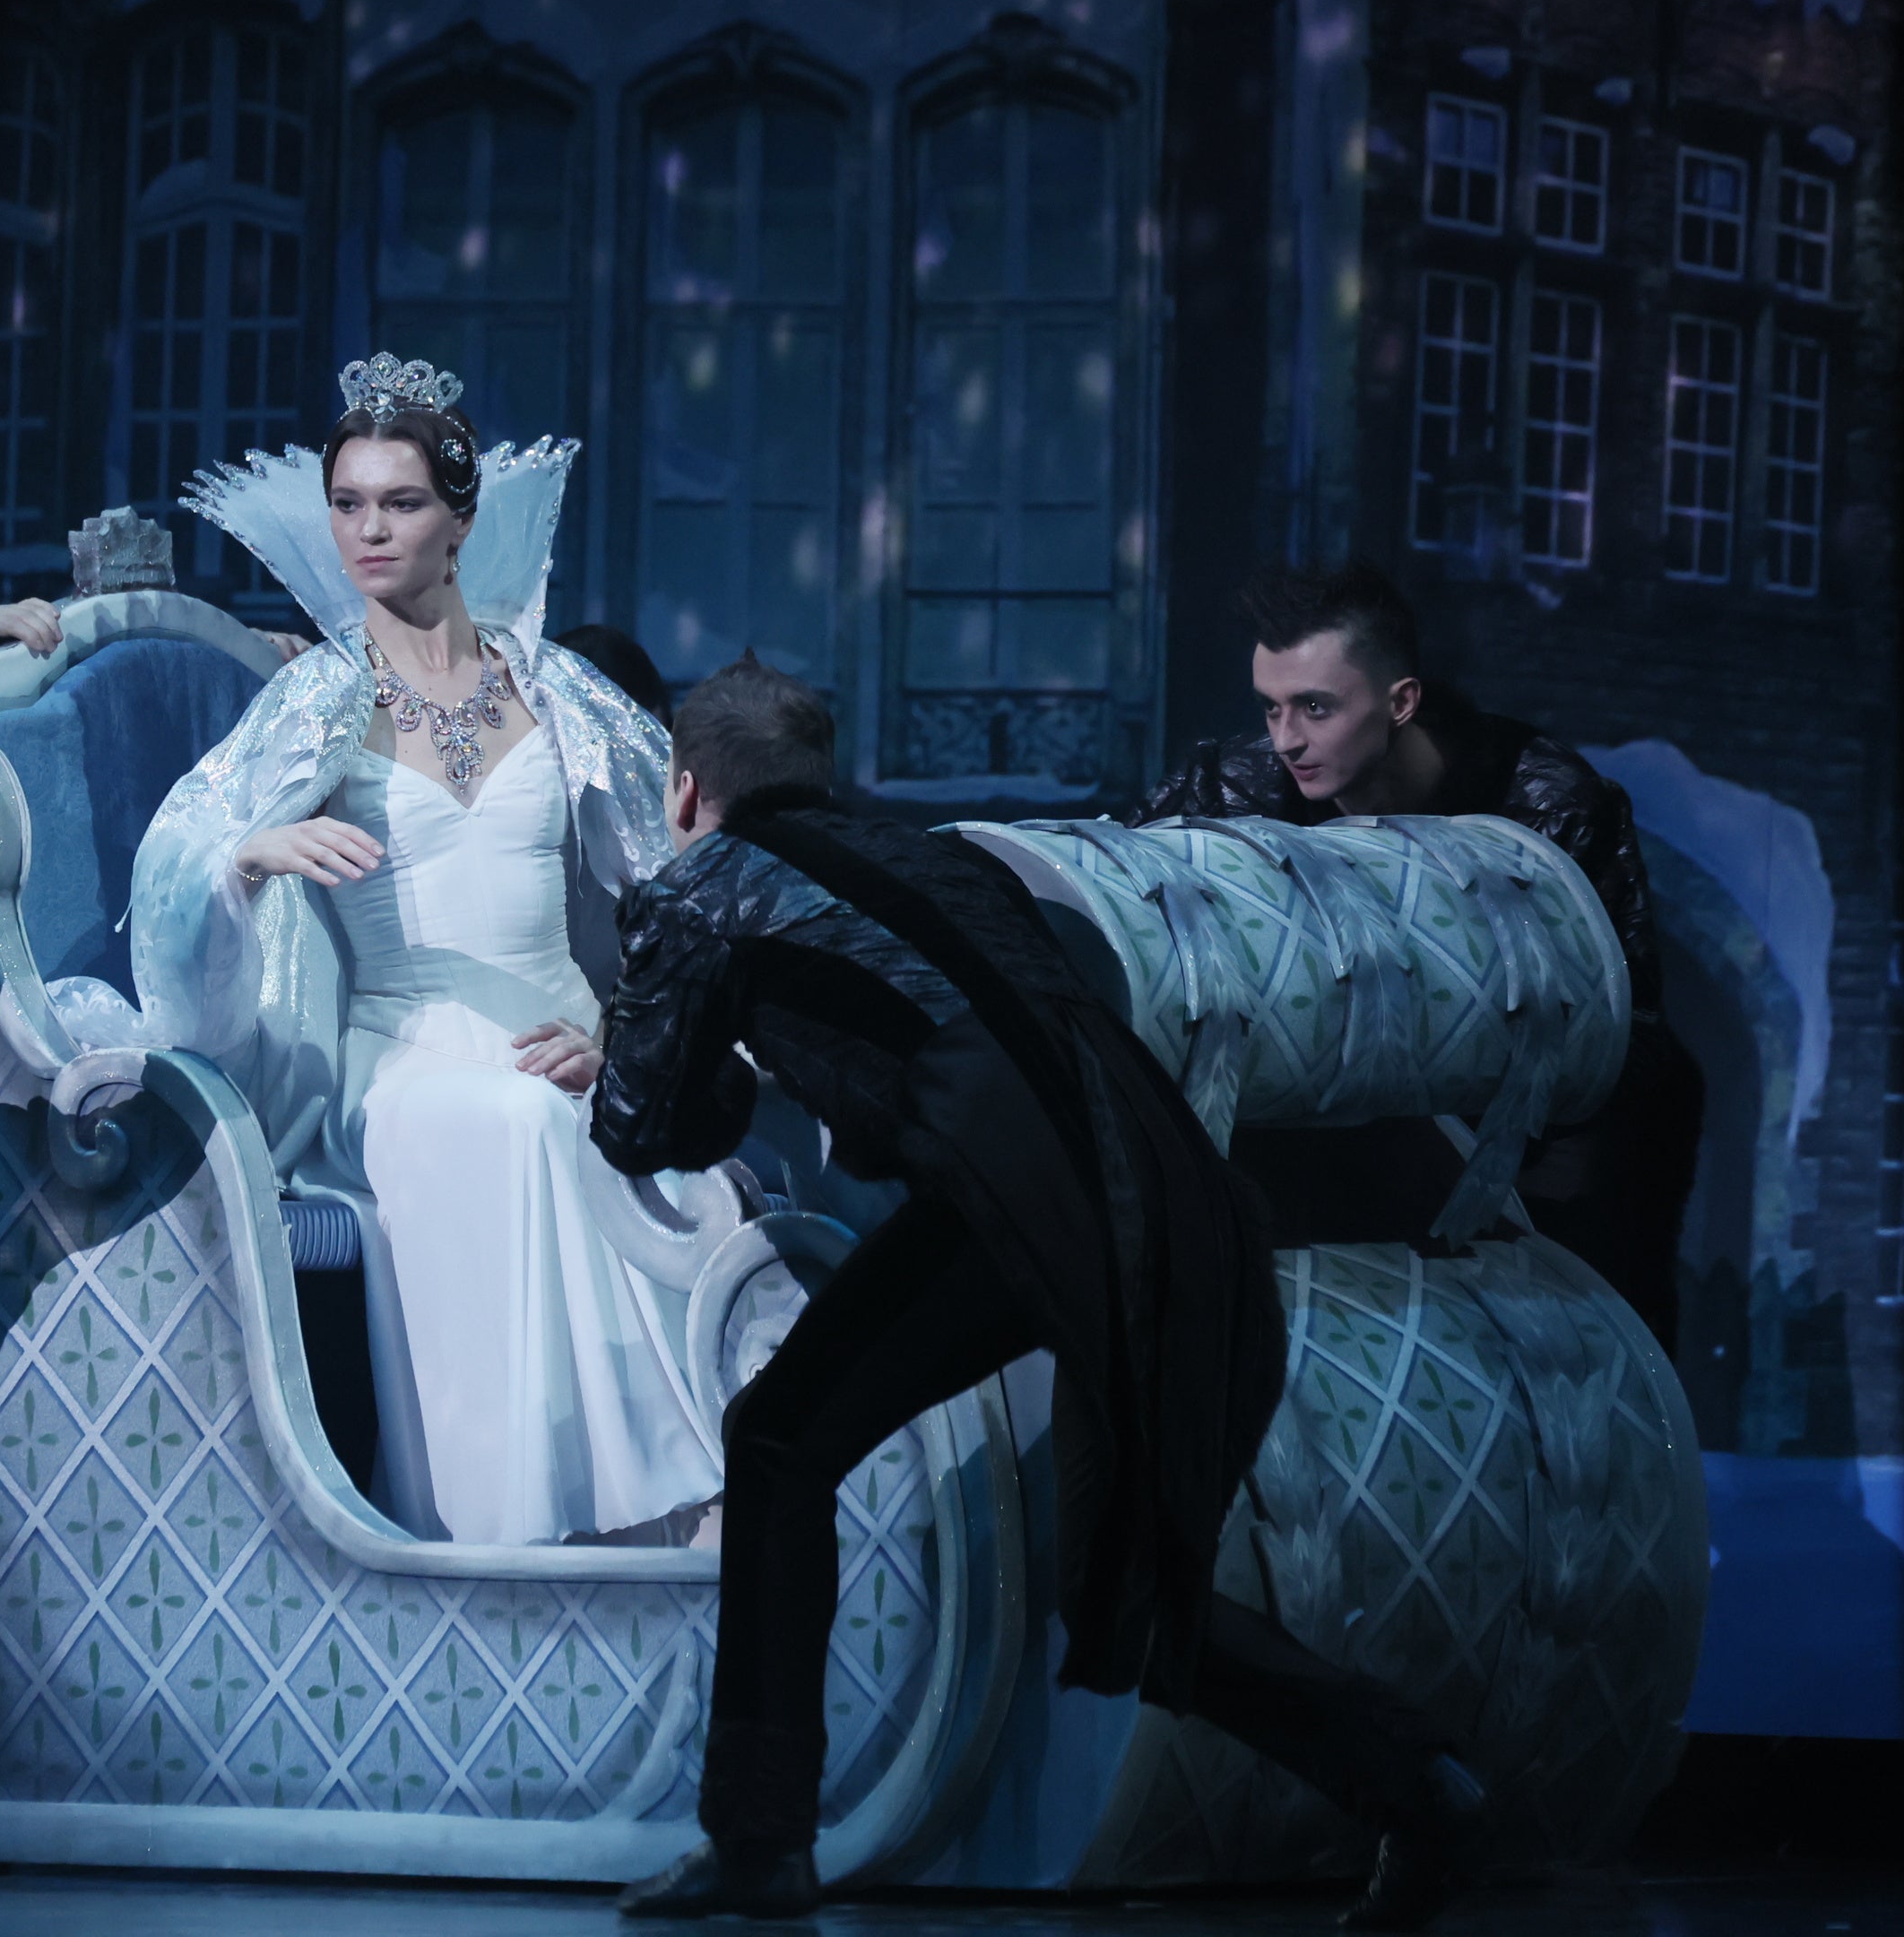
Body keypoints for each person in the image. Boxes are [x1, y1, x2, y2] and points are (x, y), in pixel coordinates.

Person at [591, 657, 1487, 1930]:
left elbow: (639, 1124)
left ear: (685, 791)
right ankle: (1421, 1784)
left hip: (1033, 1201)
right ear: (821, 776)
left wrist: (717, 1064)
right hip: (1177, 1190)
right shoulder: (941, 861)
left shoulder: (702, 891)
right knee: (1129, 1595)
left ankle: (759, 1842)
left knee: (788, 1442)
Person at [90, 354, 720, 1548]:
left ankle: (671, 1508)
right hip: (402, 1055)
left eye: (401, 502)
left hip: (556, 1030)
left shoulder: (556, 688)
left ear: (461, 520)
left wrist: (620, 1028)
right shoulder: (318, 696)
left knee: (625, 1136)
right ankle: (528, 1524)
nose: (369, 530)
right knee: (520, 1121)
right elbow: (178, 852)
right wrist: (247, 859)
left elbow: (680, 874)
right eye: (348, 503)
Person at [1135, 561, 1704, 1347]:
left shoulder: (1546, 806)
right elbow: (1132, 928)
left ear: (1401, 702)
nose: (1287, 739)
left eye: (1316, 707)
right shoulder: (1230, 787)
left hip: (1515, 1128)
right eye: (1271, 707)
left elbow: (1623, 1017)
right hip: (1303, 1113)